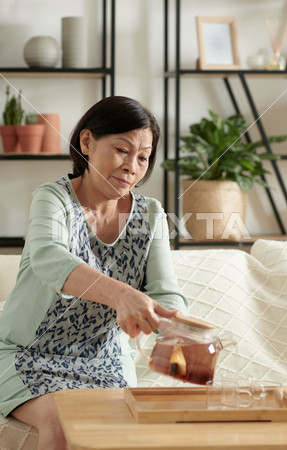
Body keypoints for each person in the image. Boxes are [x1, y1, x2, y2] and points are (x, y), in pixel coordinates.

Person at [0, 96, 188, 450]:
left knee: (117, 431)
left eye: (143, 157)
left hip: (105, 359)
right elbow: (47, 257)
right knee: (63, 424)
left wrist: (174, 323)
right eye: (122, 149)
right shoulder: (52, 199)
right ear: (87, 142)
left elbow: (166, 291)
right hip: (27, 353)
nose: (133, 166)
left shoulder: (151, 214)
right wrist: (122, 295)